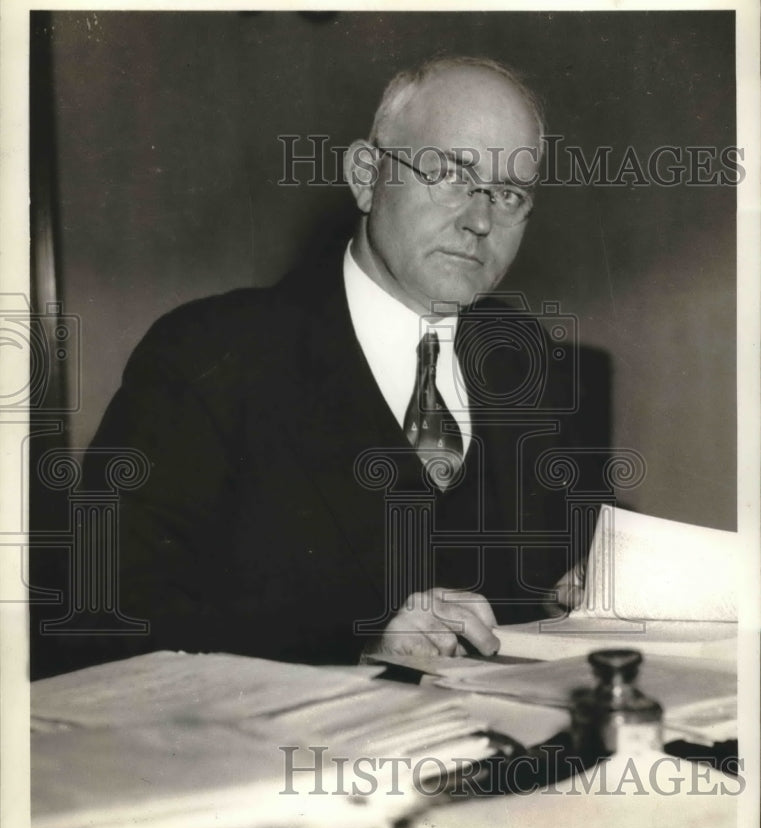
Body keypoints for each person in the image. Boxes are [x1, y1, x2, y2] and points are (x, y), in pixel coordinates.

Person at [65, 56, 603, 672]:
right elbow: (103, 619)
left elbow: (574, 558)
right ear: (367, 176)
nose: (480, 220)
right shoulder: (208, 355)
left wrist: (578, 591)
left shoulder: (524, 357)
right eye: (450, 174)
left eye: (508, 194)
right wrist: (356, 648)